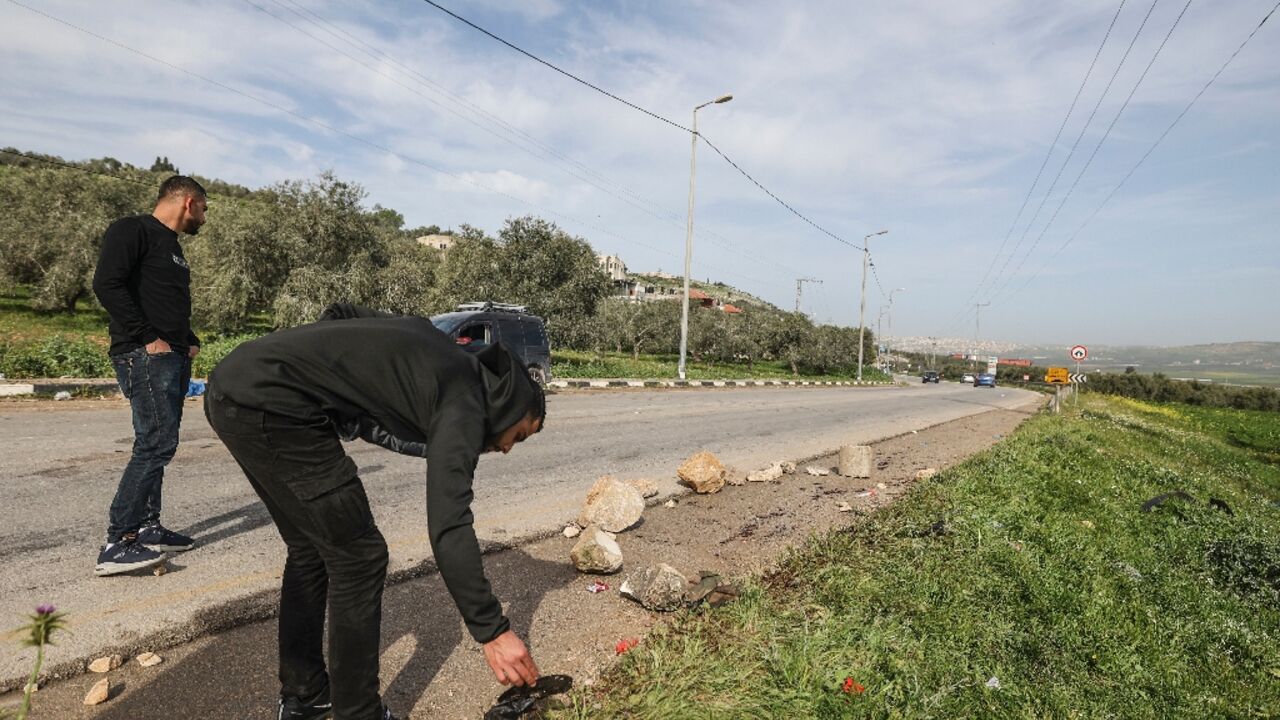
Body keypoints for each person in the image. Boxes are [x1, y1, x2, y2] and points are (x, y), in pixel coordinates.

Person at [204, 304, 544, 720]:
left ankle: (307, 696)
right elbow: (449, 524)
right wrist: (493, 631)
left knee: (311, 548)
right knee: (359, 556)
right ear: (512, 405)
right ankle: (358, 713)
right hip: (275, 409)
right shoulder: (465, 404)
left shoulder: (436, 346)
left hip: (236, 386)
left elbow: (342, 314)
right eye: (521, 435)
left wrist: (323, 374)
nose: (508, 448)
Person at [91, 175, 207, 577]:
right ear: (188, 202)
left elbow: (166, 302)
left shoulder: (172, 248)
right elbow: (106, 284)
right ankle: (117, 542)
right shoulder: (133, 229)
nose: (204, 219)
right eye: (204, 210)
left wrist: (187, 339)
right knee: (156, 444)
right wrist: (149, 339)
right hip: (144, 354)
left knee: (157, 443)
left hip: (171, 355)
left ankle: (147, 527)